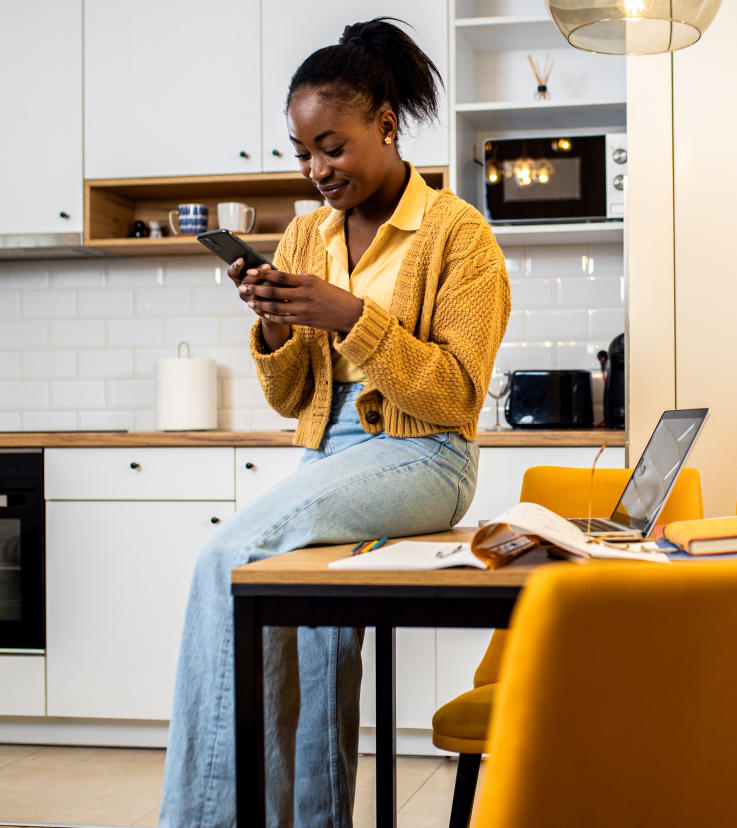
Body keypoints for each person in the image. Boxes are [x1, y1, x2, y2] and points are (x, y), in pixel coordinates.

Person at [158, 18, 510, 828]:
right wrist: (278, 327)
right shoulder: (307, 234)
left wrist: (350, 314)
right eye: (301, 151)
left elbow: (456, 396)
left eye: (333, 147)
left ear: (386, 126)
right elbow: (294, 402)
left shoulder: (459, 236)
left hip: (424, 457)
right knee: (310, 633)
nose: (317, 170)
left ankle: (203, 821)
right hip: (329, 456)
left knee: (231, 555)